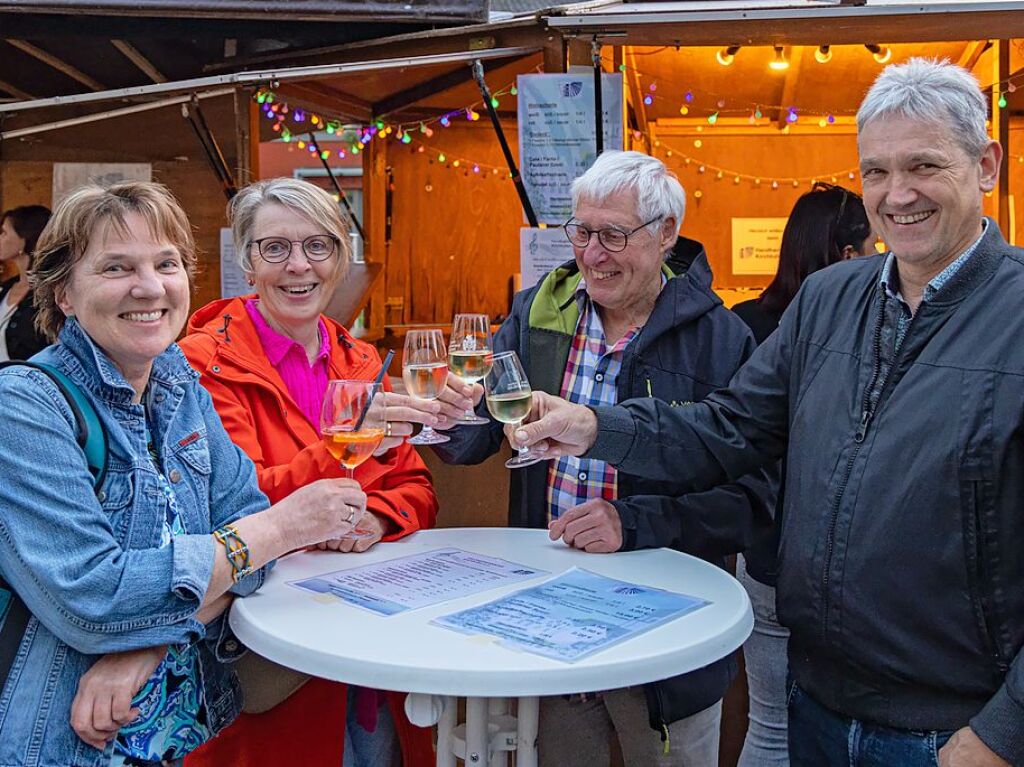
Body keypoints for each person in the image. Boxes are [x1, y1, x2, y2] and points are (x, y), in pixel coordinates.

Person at [513, 59, 1023, 767]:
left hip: (955, 729)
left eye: (924, 166)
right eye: (875, 172)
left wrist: (1007, 729)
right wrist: (596, 427)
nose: (896, 195)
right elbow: (730, 428)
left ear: (987, 164)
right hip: (818, 702)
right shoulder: (827, 301)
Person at [0, 181, 366, 767]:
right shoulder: (25, 405)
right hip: (69, 739)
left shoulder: (177, 384)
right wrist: (282, 528)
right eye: (116, 267)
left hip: (188, 727)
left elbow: (246, 540)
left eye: (165, 263)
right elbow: (93, 597)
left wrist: (149, 644)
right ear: (64, 292)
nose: (149, 287)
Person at [433, 150, 776, 767]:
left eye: (614, 235)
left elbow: (756, 496)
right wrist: (449, 418)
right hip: (548, 613)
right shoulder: (539, 310)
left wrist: (635, 522)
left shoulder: (722, 340)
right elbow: (482, 431)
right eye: (582, 232)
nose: (591, 255)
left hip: (666, 628)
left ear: (666, 234)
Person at [179, 177, 439, 767]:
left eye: (318, 246)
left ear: (340, 260)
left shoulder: (361, 359)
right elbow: (236, 505)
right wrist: (350, 450)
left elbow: (417, 489)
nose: (299, 265)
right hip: (269, 646)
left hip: (372, 636)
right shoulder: (203, 363)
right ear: (247, 263)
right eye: (275, 248)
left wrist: (373, 518)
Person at [730, 184, 873, 767]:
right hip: (845, 566)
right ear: (845, 255)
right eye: (870, 249)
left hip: (760, 551)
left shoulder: (744, 322)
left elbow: (728, 436)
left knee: (767, 724)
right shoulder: (859, 334)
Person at [0, 204, 51, 360]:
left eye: (3, 233)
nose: (0, 238)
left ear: (24, 238)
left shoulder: (49, 293)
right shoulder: (7, 287)